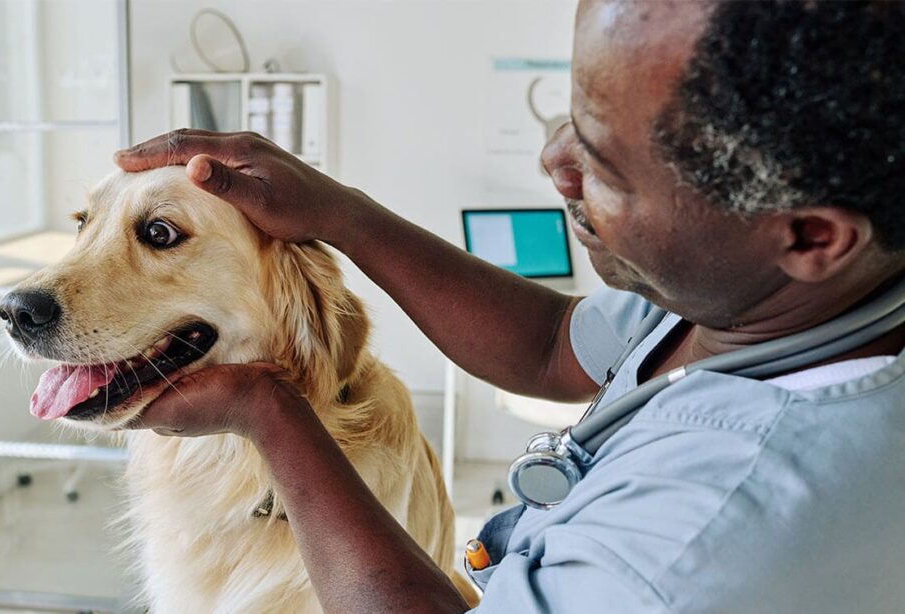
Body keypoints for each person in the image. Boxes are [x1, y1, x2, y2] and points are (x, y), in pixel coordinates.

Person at [113, 0, 905, 611]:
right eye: (572, 120)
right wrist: (338, 211)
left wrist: (272, 412)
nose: (553, 161)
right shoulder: (768, 300)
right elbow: (550, 346)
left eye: (605, 166)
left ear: (809, 235)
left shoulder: (699, 537)